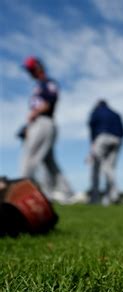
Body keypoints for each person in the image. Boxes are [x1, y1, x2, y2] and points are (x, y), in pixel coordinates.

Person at [20, 56, 74, 203]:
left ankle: (21, 195)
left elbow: (49, 102)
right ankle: (67, 192)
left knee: (29, 157)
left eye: (31, 69)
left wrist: (34, 114)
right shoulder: (37, 85)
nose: (29, 73)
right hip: (38, 123)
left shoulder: (48, 83)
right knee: (49, 161)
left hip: (44, 122)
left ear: (38, 67)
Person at [88, 100, 123, 206]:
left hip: (102, 138)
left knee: (97, 167)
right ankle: (109, 198)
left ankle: (95, 198)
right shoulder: (116, 114)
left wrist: (92, 144)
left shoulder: (96, 111)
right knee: (110, 168)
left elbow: (92, 127)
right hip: (118, 139)